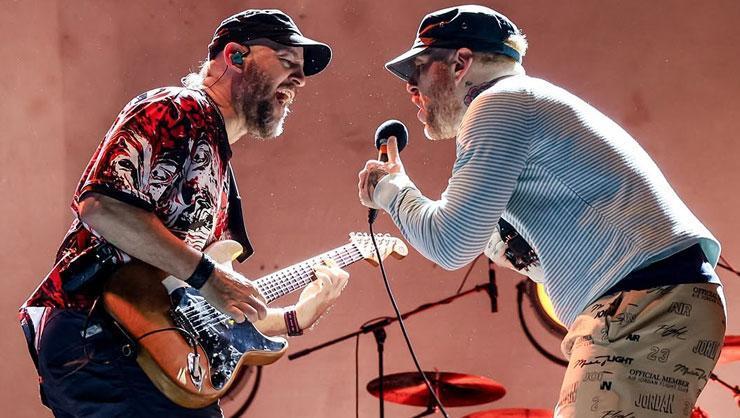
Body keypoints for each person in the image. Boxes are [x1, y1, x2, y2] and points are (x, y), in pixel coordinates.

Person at [358, 5, 726, 417]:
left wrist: (391, 190)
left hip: (645, 302)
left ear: (461, 63)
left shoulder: (498, 102)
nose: (410, 86)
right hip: (664, 299)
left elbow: (449, 244)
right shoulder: (529, 102)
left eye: (420, 68)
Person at [20, 9, 348, 418]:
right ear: (235, 56)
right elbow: (101, 205)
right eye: (285, 61)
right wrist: (207, 276)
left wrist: (293, 319)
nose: (300, 79)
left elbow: (202, 307)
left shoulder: (220, 174)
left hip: (144, 353)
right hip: (101, 333)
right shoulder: (177, 109)